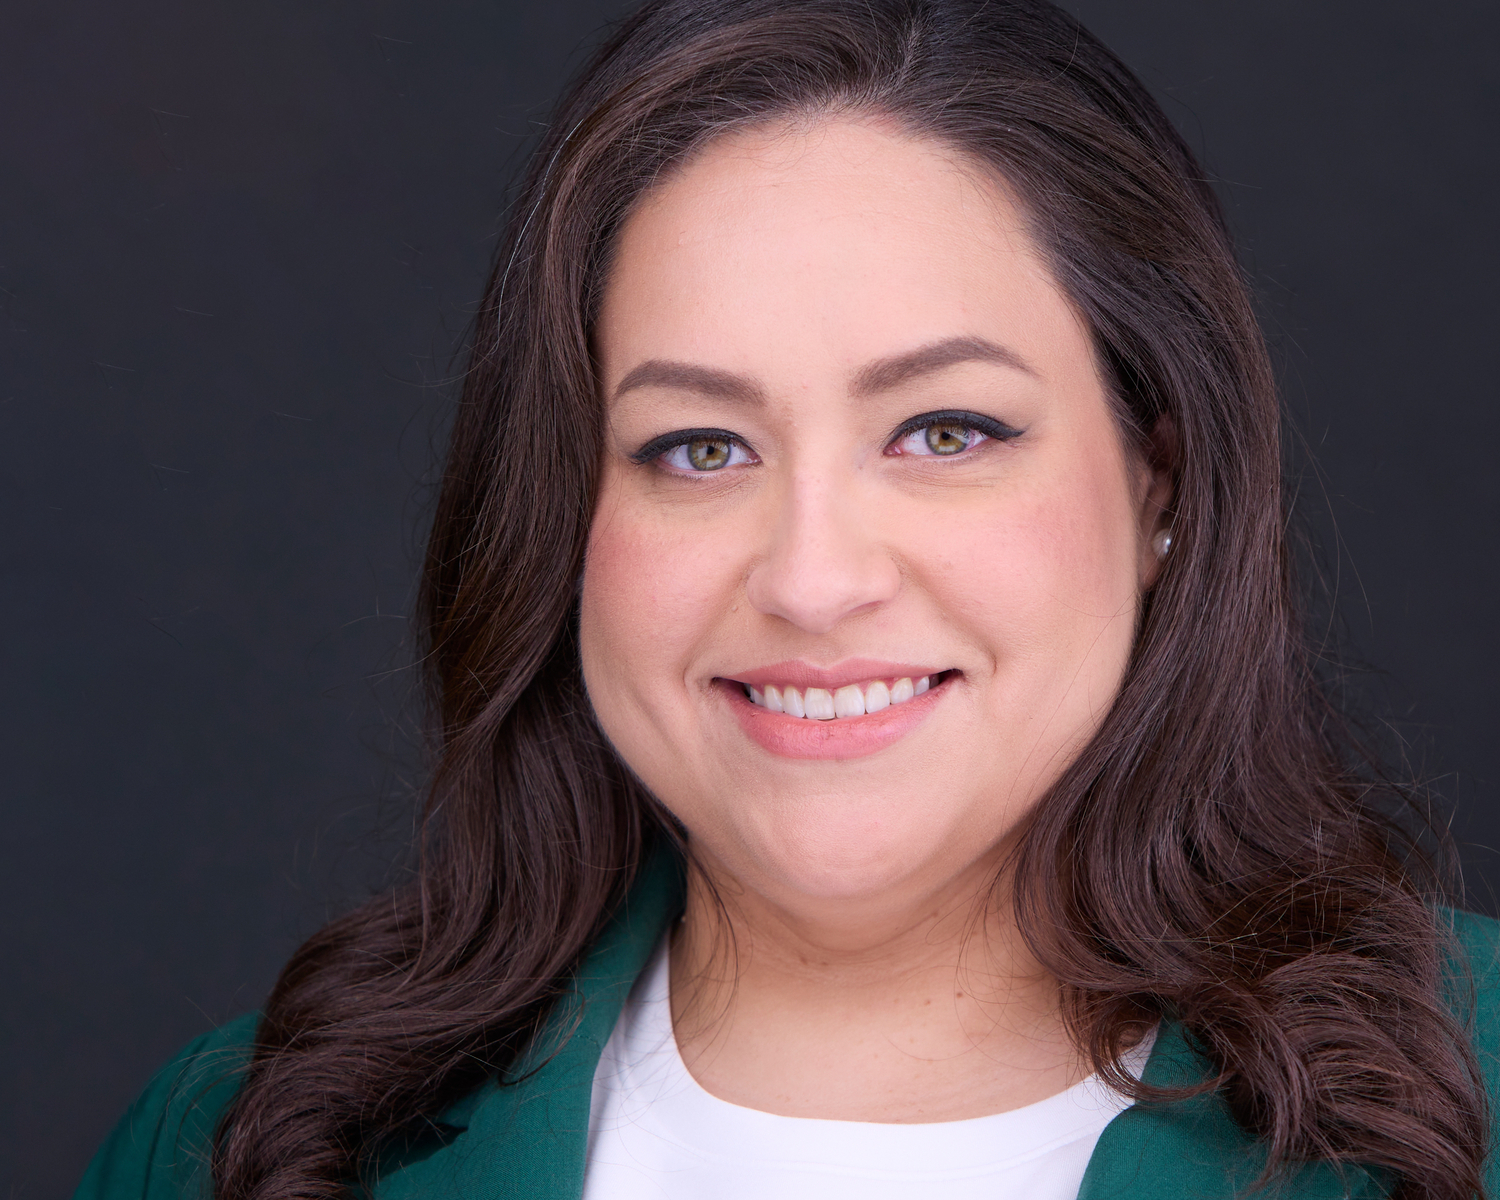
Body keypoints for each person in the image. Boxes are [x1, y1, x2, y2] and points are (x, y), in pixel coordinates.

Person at [75, 1, 1500, 1197]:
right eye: (700, 448)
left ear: (1156, 482)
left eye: (946, 431)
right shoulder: (236, 1146)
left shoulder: (1475, 1096)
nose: (814, 581)